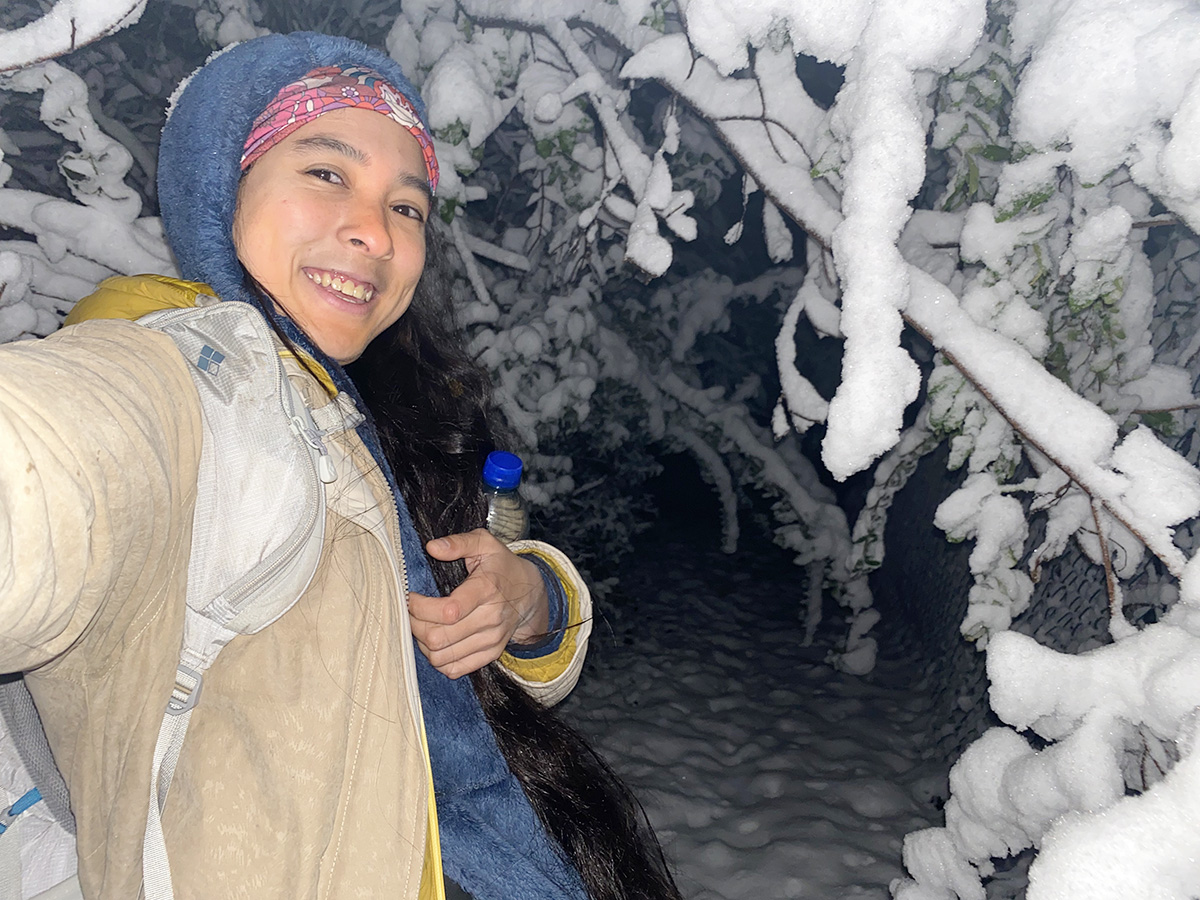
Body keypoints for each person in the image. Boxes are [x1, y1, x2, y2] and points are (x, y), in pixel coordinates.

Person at [0, 31, 680, 900]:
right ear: (224, 185)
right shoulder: (189, 373)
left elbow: (440, 637)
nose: (374, 232)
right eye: (327, 173)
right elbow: (56, 470)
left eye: (407, 207)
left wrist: (528, 602)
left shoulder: (372, 399)